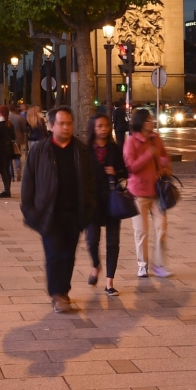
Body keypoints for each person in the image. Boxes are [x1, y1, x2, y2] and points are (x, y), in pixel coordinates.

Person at [20, 107, 97, 313]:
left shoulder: (80, 150)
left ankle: (63, 290)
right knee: (54, 253)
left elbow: (90, 182)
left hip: (74, 213)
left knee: (68, 255)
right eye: (61, 123)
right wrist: (29, 210)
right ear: (51, 125)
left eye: (69, 123)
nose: (65, 127)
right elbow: (28, 182)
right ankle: (57, 294)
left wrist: (88, 210)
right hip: (49, 213)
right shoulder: (40, 150)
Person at [123, 107, 171, 278]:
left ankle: (159, 264)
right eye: (149, 120)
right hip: (138, 193)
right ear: (141, 122)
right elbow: (130, 167)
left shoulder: (155, 138)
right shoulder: (131, 141)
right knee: (141, 231)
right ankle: (142, 265)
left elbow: (164, 155)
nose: (152, 122)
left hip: (156, 191)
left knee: (162, 227)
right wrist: (148, 155)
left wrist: (165, 166)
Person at [86, 114, 126, 296]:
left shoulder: (114, 149)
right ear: (93, 128)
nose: (103, 129)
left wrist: (115, 172)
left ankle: (110, 282)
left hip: (111, 200)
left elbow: (125, 172)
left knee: (113, 242)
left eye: (106, 125)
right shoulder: (86, 150)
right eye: (99, 126)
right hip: (93, 201)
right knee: (92, 240)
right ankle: (96, 266)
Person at [0, 106, 17, 198]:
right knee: (7, 169)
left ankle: (6, 190)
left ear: (0, 113)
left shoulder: (0, 125)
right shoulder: (9, 124)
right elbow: (13, 137)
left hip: (2, 149)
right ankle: (7, 189)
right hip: (9, 149)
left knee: (2, 169)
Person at [9, 104, 29, 180]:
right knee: (17, 155)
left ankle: (11, 174)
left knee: (9, 157)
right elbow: (24, 128)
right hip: (18, 138)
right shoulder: (19, 117)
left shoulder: (7, 118)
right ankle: (18, 168)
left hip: (9, 139)